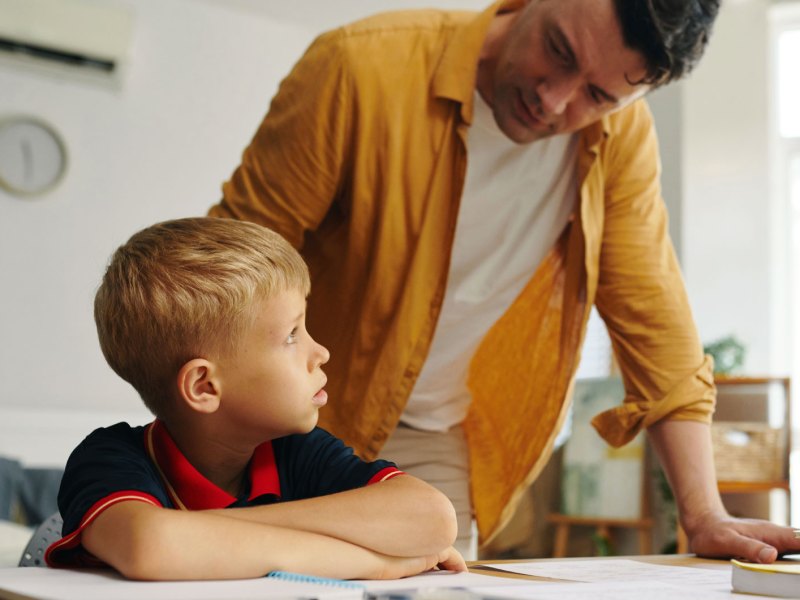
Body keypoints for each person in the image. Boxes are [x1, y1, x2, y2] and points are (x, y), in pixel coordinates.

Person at [209, 0, 800, 561]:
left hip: (431, 435)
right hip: (281, 417)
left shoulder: (621, 142)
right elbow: (229, 268)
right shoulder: (359, 67)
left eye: (597, 94)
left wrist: (704, 515)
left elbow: (655, 321)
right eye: (559, 50)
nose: (553, 99)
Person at [45, 217, 465, 580]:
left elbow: (431, 518)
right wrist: (375, 564)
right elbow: (154, 545)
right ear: (205, 387)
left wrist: (217, 535)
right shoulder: (108, 457)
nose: (321, 353)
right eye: (291, 335)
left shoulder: (295, 452)